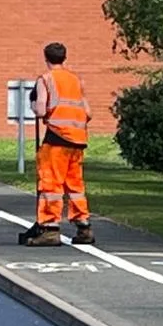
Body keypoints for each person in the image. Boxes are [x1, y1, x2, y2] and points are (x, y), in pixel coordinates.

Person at [23, 42, 94, 246]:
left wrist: (34, 103)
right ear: (64, 57)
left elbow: (41, 110)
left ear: (46, 58)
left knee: (51, 183)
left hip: (56, 138)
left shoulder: (45, 79)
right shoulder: (76, 81)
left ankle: (49, 227)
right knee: (75, 184)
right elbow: (88, 113)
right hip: (78, 139)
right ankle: (83, 226)